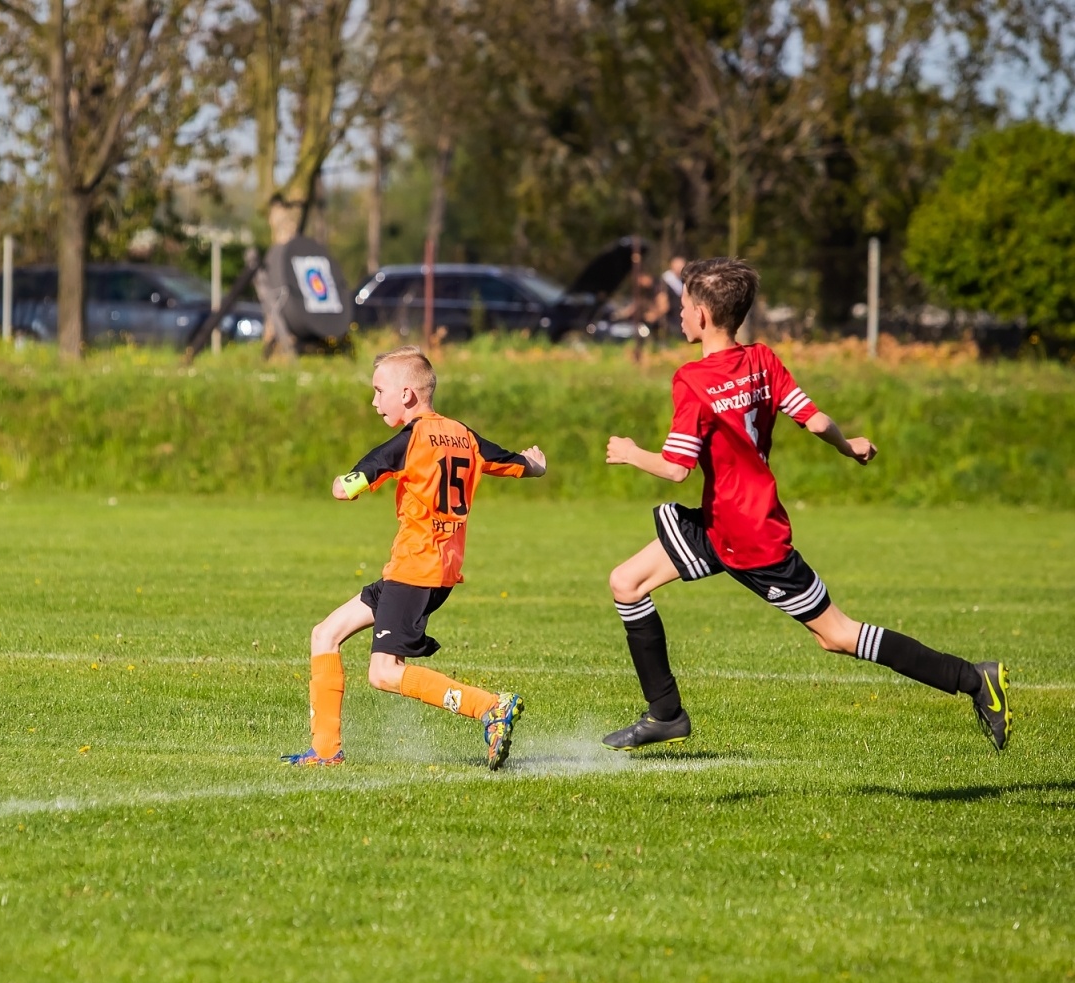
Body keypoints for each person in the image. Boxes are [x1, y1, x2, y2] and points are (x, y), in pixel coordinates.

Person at [599, 257, 1010, 751]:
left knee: (837, 634)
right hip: (719, 525)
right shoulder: (763, 360)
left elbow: (676, 467)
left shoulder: (691, 379)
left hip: (751, 541)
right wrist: (850, 444)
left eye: (685, 306)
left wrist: (629, 453)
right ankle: (665, 713)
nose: (680, 314)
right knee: (627, 582)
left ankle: (974, 679)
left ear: (703, 315)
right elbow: (813, 420)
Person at [284, 345, 549, 770]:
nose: (374, 402)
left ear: (407, 394)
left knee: (383, 672)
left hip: (416, 568)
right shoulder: (464, 434)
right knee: (325, 634)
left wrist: (342, 483)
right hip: (434, 569)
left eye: (378, 391)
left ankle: (490, 707)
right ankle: (326, 751)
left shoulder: (409, 441)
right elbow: (512, 462)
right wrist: (536, 465)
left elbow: (348, 485)